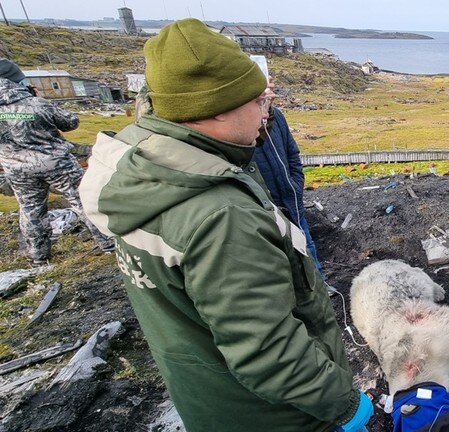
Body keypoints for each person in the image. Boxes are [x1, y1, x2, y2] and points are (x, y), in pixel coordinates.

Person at [78, 19, 370, 432]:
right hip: (276, 417)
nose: (265, 115)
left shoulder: (142, 178)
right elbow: (268, 350)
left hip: (207, 395)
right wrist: (345, 407)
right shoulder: (221, 215)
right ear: (217, 107)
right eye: (257, 103)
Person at [0, 58, 114, 265]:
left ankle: (39, 257)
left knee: (31, 209)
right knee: (84, 199)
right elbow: (70, 122)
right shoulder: (35, 104)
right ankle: (108, 244)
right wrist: (37, 99)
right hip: (56, 163)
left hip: (16, 169)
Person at [253, 78, 327, 278]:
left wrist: (295, 184)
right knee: (279, 258)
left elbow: (293, 154)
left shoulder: (278, 118)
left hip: (291, 200)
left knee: (307, 246)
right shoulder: (239, 127)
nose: (271, 93)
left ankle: (321, 286)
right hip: (264, 209)